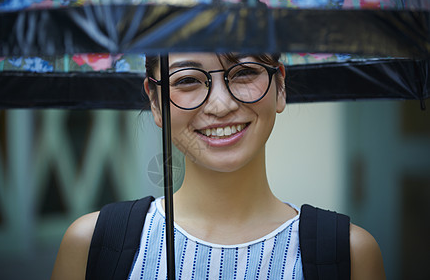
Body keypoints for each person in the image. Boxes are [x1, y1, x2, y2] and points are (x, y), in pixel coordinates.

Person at [51, 53, 386, 279]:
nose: (221, 105)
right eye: (186, 80)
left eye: (244, 73)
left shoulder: (351, 254)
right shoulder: (91, 244)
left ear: (280, 86)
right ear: (155, 102)